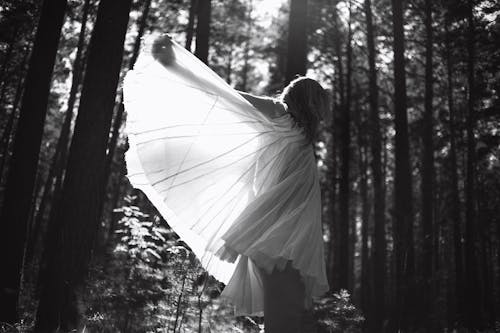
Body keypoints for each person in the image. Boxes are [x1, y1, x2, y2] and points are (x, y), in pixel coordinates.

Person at [123, 34, 329, 332]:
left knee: (287, 314)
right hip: (280, 234)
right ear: (308, 102)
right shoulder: (281, 115)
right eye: (318, 102)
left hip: (291, 233)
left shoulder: (302, 136)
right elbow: (226, 96)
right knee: (284, 316)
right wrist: (174, 67)